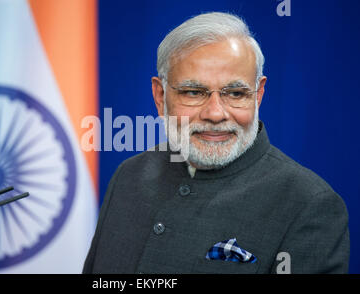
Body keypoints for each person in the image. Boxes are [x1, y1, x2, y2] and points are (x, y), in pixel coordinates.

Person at [83, 12, 349, 274]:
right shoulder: (129, 175)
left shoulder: (308, 205)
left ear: (258, 95)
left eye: (235, 93)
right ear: (160, 95)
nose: (215, 114)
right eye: (193, 92)